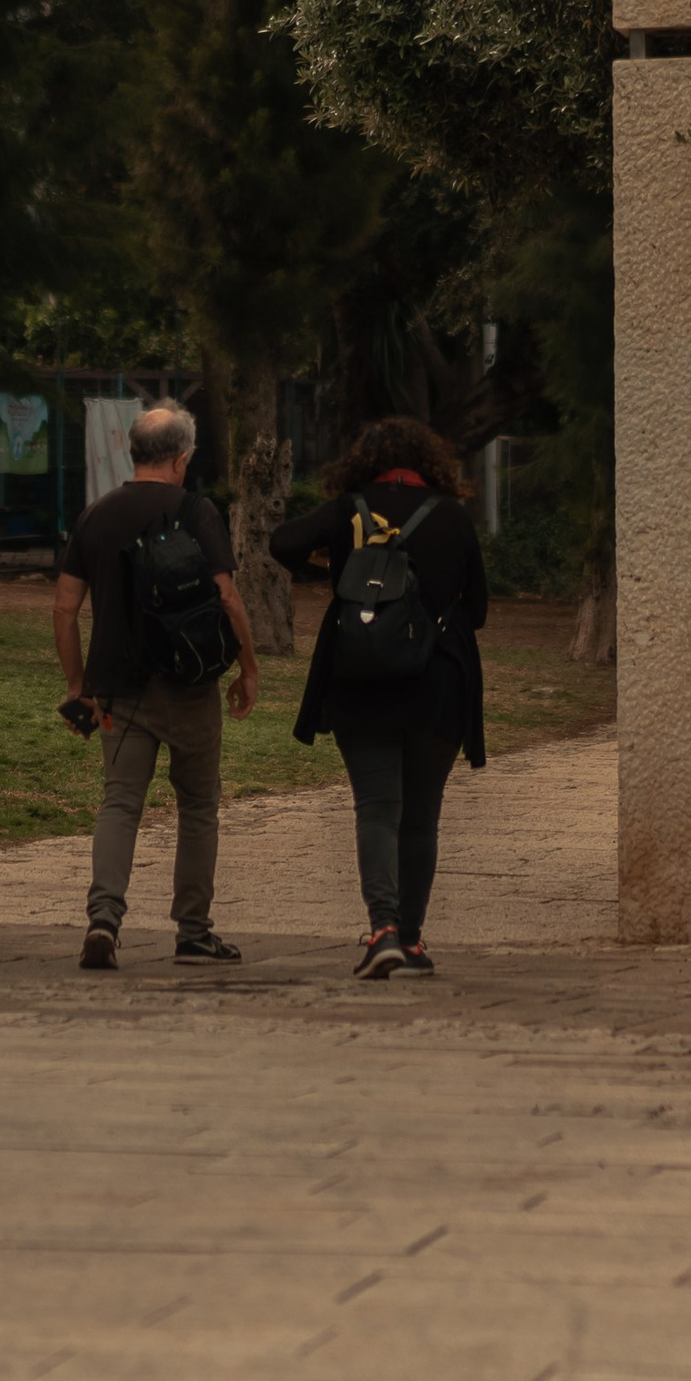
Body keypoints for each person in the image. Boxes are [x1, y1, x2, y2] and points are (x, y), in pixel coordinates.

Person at [269, 416, 488, 979]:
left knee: (376, 807)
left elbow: (282, 541)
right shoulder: (452, 516)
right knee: (421, 817)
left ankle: (382, 930)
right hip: (439, 683)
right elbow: (479, 609)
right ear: (428, 461)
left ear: (363, 460)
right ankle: (411, 941)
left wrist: (330, 565)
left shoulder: (350, 509)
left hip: (360, 678)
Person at [52, 403, 259, 970]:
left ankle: (103, 920)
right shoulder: (196, 510)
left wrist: (77, 683)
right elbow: (227, 597)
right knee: (199, 806)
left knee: (120, 802)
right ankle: (193, 933)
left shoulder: (96, 514)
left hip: (117, 692)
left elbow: (65, 608)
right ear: (182, 458)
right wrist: (248, 668)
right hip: (189, 685)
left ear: (133, 452)